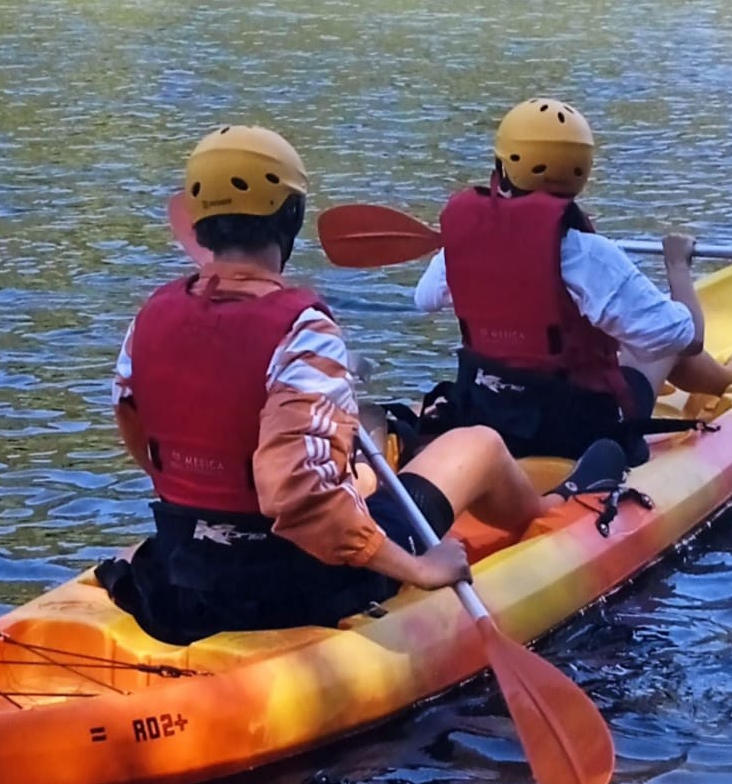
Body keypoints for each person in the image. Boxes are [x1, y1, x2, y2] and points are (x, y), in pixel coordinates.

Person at [99, 125, 627, 646]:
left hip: (186, 570)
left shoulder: (150, 317)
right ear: (292, 216)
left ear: (198, 220)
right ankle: (549, 509)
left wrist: (205, 499)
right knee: (478, 443)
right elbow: (299, 498)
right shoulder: (301, 328)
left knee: (361, 460)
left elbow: (132, 414)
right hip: (295, 584)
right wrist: (419, 567)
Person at [415, 98, 732, 460]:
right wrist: (677, 264)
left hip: (491, 414)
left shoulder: (463, 246)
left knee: (631, 338)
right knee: (660, 346)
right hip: (577, 430)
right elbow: (690, 338)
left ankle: (728, 375)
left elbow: (425, 299)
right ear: (582, 172)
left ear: (502, 167)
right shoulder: (590, 255)